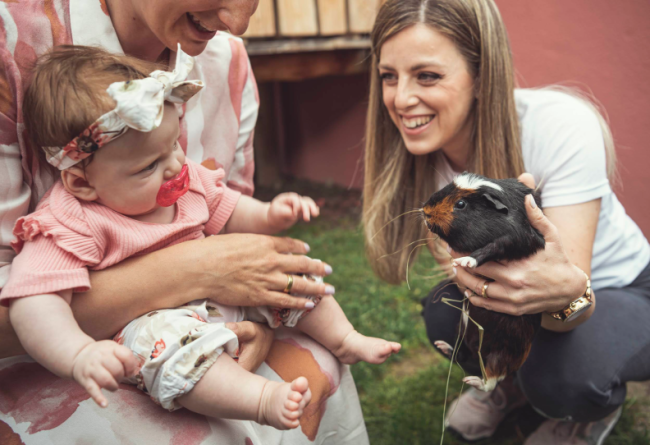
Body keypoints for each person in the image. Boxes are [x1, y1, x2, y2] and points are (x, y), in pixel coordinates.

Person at [0, 1, 370, 443]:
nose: (237, 25)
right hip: (114, 344)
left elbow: (229, 207)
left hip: (223, 315)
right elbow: (32, 300)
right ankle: (261, 399)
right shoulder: (69, 221)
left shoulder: (225, 66)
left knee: (305, 300)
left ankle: (344, 337)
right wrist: (81, 353)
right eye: (149, 165)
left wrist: (270, 219)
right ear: (81, 181)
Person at [362, 0, 650, 443]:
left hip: (615, 287)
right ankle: (506, 384)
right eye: (388, 76)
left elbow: (568, 297)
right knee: (445, 316)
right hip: (522, 295)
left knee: (567, 374)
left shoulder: (561, 125)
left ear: (481, 75)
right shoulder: (419, 150)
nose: (400, 100)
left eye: (428, 75)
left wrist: (563, 297)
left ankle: (584, 411)